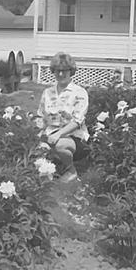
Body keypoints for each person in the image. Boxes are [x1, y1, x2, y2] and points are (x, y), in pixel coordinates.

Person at [37, 52, 89, 183]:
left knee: (59, 146)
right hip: (50, 134)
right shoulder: (47, 93)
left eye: (64, 71)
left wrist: (58, 134)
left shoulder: (79, 92)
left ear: (71, 71)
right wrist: (37, 134)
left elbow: (77, 121)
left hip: (73, 137)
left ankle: (71, 171)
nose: (60, 74)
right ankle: (48, 178)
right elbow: (41, 116)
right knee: (37, 150)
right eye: (57, 71)